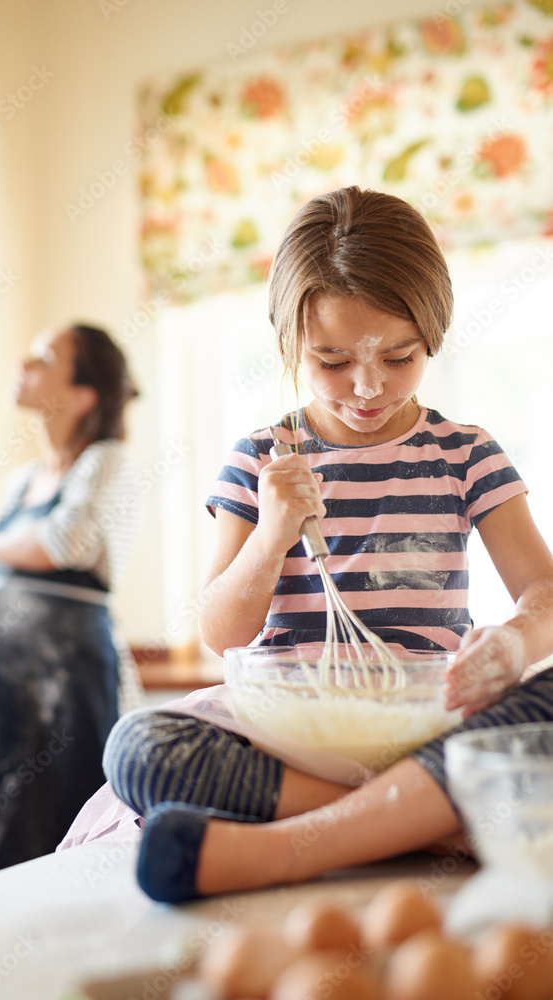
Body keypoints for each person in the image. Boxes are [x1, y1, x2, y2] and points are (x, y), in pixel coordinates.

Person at [68, 188, 553, 903]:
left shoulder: (465, 454)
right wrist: (270, 537)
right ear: (289, 343)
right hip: (284, 734)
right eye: (331, 361)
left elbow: (542, 594)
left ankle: (294, 844)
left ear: (434, 334)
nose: (367, 386)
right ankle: (420, 823)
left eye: (399, 355)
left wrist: (514, 640)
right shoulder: (260, 458)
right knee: (139, 748)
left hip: (426, 723)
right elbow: (220, 632)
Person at [0, 322, 142, 876]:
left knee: (64, 833)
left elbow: (67, 540)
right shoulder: (21, 481)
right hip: (3, 701)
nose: (23, 364)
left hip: (69, 688)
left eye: (42, 358)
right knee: (1, 829)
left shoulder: (106, 461)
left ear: (82, 396)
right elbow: (8, 588)